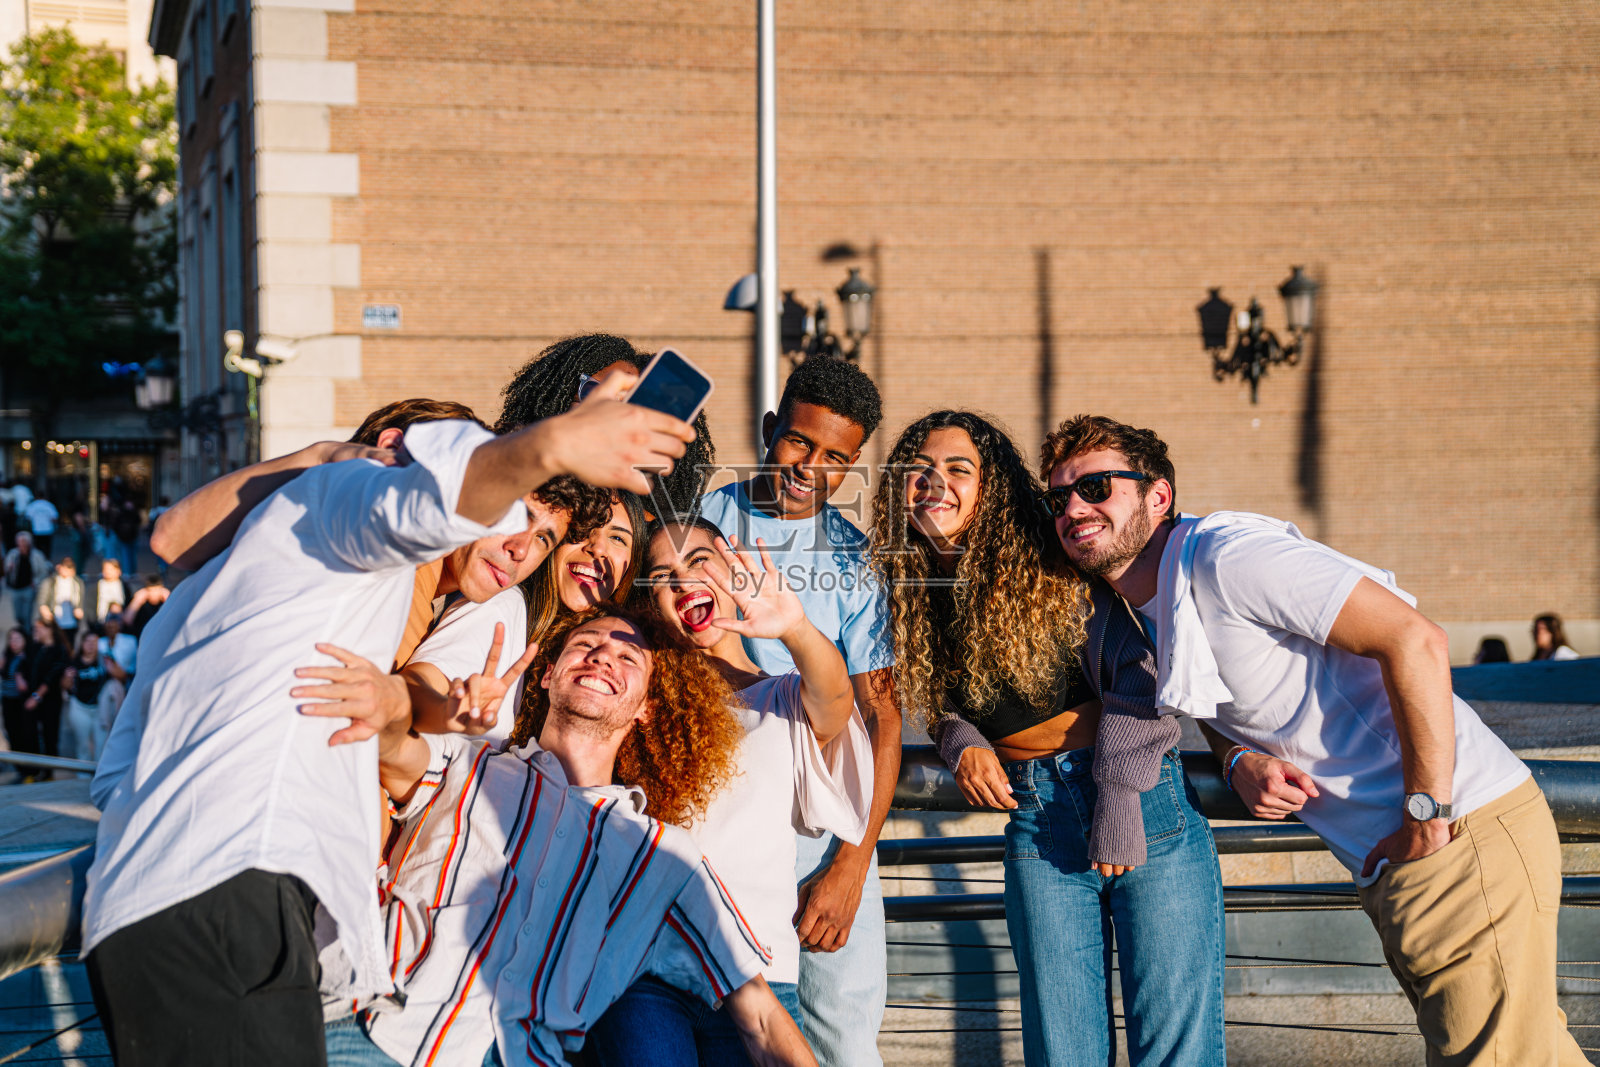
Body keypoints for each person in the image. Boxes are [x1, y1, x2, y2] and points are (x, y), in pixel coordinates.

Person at [81, 378, 696, 1065]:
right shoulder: (350, 499)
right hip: (219, 884)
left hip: (234, 893)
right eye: (509, 507)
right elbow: (434, 505)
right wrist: (551, 443)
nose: (522, 543)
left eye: (544, 535)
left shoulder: (334, 578)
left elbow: (404, 691)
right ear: (396, 454)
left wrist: (423, 707)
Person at [1041, 413, 1584, 1067]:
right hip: (1408, 861)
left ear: (1158, 496)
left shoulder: (1224, 556)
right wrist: (1237, 757)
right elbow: (1211, 690)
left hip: (1459, 835)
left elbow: (1416, 640)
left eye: (1097, 485)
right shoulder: (1149, 604)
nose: (1074, 506)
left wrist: (1426, 815)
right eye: (1059, 496)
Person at [865, 410, 1225, 1066]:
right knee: (1063, 1051)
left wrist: (1116, 795)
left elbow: (1139, 669)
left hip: (1143, 801)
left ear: (993, 485)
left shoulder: (1052, 557)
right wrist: (961, 740)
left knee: (1177, 1050)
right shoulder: (912, 588)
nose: (931, 482)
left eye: (956, 469)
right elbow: (940, 699)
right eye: (916, 470)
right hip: (1037, 818)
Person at [312, 605, 816, 1067]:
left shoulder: (661, 857)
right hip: (376, 1033)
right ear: (548, 675)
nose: (602, 656)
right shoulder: (467, 765)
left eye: (627, 656)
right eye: (585, 644)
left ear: (645, 707)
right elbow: (391, 744)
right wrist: (405, 706)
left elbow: (763, 1019)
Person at [585, 519, 872, 1065]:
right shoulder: (636, 697)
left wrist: (796, 629)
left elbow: (835, 698)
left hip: (757, 975)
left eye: (698, 561)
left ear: (731, 571)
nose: (682, 579)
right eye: (662, 574)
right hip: (642, 971)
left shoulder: (783, 697)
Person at [696, 355, 899, 1065]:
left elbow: (882, 716)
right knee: (741, 1031)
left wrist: (851, 863)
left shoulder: (852, 559)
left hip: (826, 817)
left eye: (837, 457)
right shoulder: (702, 525)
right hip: (722, 806)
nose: (812, 465)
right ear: (769, 429)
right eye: (799, 442)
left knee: (845, 1036)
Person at [496, 332, 719, 517]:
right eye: (596, 393)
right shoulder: (505, 482)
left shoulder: (652, 537)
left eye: (630, 410)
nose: (613, 417)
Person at [21, 617, 68, 760]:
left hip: (50, 700)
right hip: (32, 698)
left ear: (49, 630)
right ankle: (33, 771)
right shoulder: (35, 648)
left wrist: (36, 696)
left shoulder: (59, 650)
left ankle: (48, 772)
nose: (35, 631)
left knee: (50, 735)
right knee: (30, 735)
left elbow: (51, 677)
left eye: (38, 628)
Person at [64, 630, 110, 769]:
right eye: (87, 641)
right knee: (83, 744)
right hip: (79, 707)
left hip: (100, 709)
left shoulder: (104, 660)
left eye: (94, 642)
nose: (91, 645)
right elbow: (65, 686)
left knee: (101, 745)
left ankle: (98, 775)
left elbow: (121, 676)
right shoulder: (74, 662)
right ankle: (82, 777)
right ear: (82, 643)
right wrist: (67, 678)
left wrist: (111, 667)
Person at [4, 531, 48, 629]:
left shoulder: (36, 555)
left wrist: (36, 582)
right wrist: (9, 567)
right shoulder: (13, 554)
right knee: (18, 616)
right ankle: (23, 631)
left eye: (24, 541)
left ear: (29, 542)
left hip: (29, 588)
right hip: (15, 588)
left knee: (27, 615)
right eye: (19, 541)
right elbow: (6, 568)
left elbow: (43, 571)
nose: (21, 544)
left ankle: (27, 636)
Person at [1, 627, 32, 760]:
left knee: (23, 734)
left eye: (18, 639)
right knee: (11, 733)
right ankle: (18, 765)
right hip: (7, 700)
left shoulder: (28, 658)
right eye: (11, 639)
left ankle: (27, 769)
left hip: (21, 702)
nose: (14, 642)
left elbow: (26, 685)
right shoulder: (7, 656)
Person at [37, 557, 85, 636]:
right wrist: (44, 608)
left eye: (70, 568)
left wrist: (79, 609)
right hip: (54, 618)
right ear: (59, 567)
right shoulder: (50, 582)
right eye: (65, 567)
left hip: (71, 619)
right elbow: (42, 598)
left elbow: (81, 599)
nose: (67, 571)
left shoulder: (78, 582)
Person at [121, 574, 168, 638]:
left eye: (157, 590)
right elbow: (127, 620)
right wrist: (136, 601)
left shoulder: (165, 602)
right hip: (143, 635)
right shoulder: (141, 602)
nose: (154, 594)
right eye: (151, 590)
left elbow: (176, 620)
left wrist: (168, 599)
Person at [94, 558, 131, 625]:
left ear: (119, 571)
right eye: (105, 569)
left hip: (120, 624)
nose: (107, 572)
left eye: (111, 569)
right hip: (101, 623)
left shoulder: (125, 587)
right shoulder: (96, 586)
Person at [23, 493, 58, 559]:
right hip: (48, 530)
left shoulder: (33, 505)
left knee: (38, 549)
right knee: (47, 549)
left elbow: (28, 518)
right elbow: (54, 518)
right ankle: (47, 563)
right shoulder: (49, 505)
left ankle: (39, 562)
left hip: (37, 530)